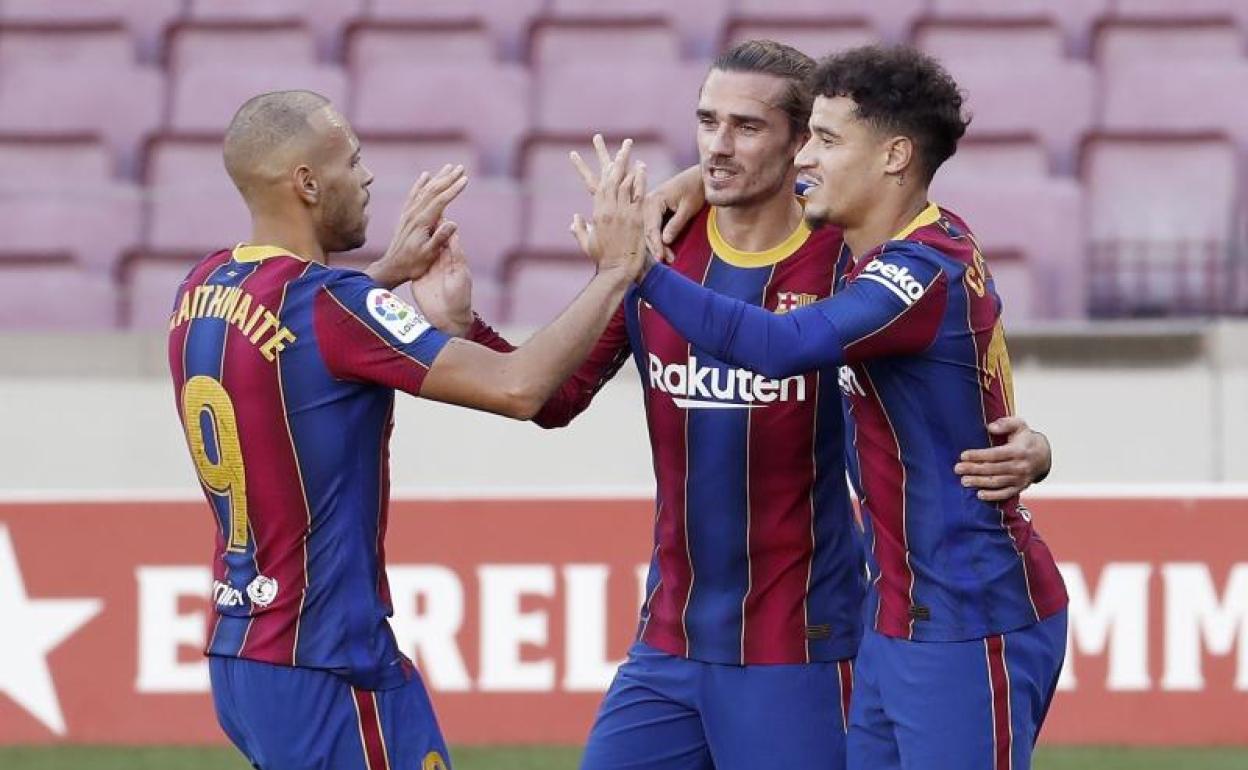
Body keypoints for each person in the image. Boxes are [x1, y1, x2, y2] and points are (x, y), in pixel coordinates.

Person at [425, 42, 1052, 770]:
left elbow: (933, 349)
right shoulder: (666, 242)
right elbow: (556, 396)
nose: (719, 147)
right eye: (706, 123)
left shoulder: (848, 259)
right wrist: (463, 326)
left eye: (748, 128)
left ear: (800, 148)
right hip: (670, 640)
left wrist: (1034, 445)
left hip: (805, 644)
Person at [167, 90, 647, 770]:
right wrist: (616, 272)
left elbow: (298, 333)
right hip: (329, 659)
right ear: (307, 183)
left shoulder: (203, 284)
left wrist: (384, 275)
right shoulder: (336, 306)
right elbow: (519, 387)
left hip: (243, 655)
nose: (365, 178)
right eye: (353, 162)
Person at [627, 46, 1069, 770]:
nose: (805, 157)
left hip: (970, 615)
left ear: (894, 156)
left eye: (827, 141)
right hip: (895, 618)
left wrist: (640, 270)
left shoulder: (919, 270)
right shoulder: (905, 243)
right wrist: (697, 182)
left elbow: (783, 344)